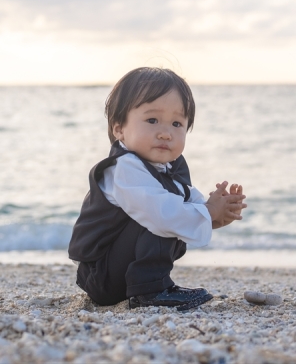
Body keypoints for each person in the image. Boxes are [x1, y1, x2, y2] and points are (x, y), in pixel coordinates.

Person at [68, 67, 246, 311]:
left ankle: (154, 285)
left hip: (122, 273)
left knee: (176, 209)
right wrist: (206, 212)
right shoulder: (124, 167)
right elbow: (161, 213)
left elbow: (191, 202)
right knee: (163, 213)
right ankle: (150, 291)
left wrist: (215, 213)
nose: (165, 133)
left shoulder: (167, 168)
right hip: (103, 275)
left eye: (177, 123)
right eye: (152, 120)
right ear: (119, 128)